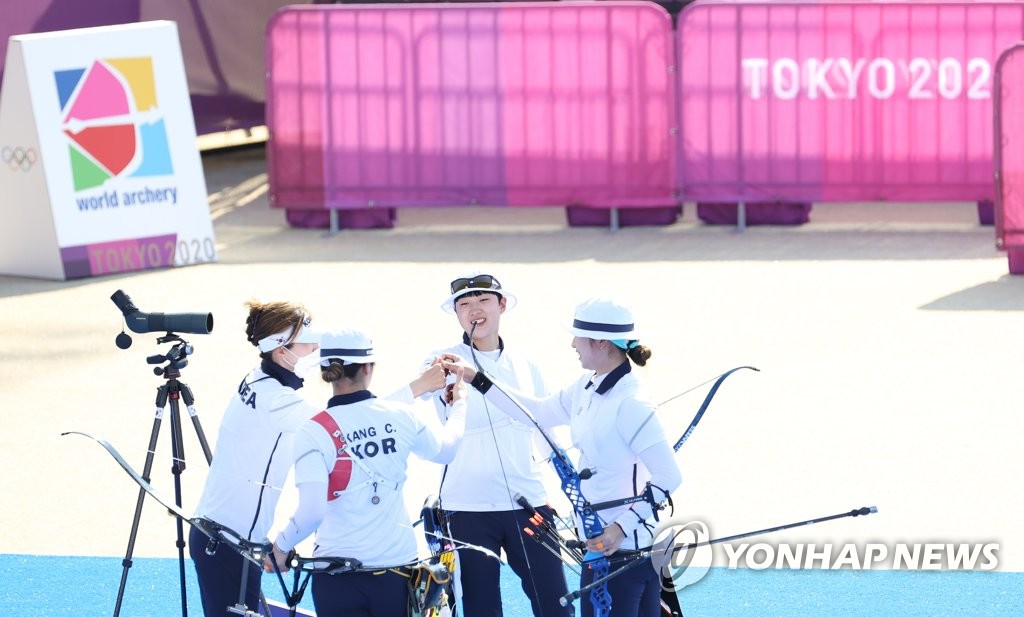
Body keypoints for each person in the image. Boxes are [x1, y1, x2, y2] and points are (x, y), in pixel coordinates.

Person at [190, 302, 445, 617]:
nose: (316, 350)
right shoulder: (278, 400)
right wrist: (419, 387)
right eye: (308, 344)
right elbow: (351, 423)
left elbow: (351, 419)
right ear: (283, 352)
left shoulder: (259, 379)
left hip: (229, 536)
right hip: (229, 543)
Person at [446, 297, 683, 617]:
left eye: (578, 337)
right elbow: (537, 412)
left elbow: (669, 476)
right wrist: (477, 378)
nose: (573, 344)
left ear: (600, 342)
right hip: (600, 548)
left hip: (628, 552)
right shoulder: (587, 385)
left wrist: (619, 529)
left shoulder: (631, 402)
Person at [269, 327, 469, 617]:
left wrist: (281, 547)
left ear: (326, 372)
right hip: (395, 571)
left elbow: (311, 512)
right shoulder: (400, 415)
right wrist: (459, 403)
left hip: (336, 576)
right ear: (367, 367)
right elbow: (446, 450)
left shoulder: (312, 431)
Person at [424, 272, 572, 617]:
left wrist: (571, 482)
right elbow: (418, 394)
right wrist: (436, 376)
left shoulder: (526, 364)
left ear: (502, 305)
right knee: (481, 610)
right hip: (467, 508)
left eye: (484, 301)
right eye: (465, 304)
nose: (475, 310)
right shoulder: (441, 360)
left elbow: (543, 426)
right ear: (456, 314)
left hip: (529, 503)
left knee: (556, 605)